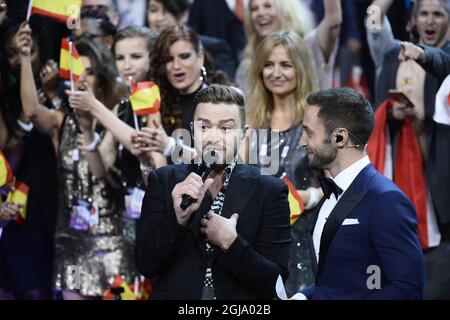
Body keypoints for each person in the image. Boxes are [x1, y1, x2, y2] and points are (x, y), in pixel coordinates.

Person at [135, 85, 291, 299]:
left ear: (244, 133)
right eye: (204, 127)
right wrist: (177, 221)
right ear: (192, 129)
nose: (212, 138)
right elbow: (145, 264)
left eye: (225, 129)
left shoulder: (270, 190)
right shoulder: (163, 180)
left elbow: (275, 283)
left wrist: (232, 243)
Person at [297, 87, 425, 299]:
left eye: (309, 132)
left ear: (340, 137)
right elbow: (339, 283)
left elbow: (408, 289)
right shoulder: (330, 193)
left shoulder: (386, 200)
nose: (301, 142)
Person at [246, 30, 323, 294]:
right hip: (260, 243)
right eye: (268, 64)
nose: (275, 73)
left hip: (307, 239)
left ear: (300, 68)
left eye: (285, 65)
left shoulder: (318, 121)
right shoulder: (249, 122)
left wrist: (308, 196)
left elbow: (342, 181)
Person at [235, 0, 342, 95]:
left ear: (286, 11)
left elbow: (333, 20)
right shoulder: (247, 66)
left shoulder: (309, 47)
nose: (260, 13)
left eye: (268, 5)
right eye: (254, 9)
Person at [146, 0, 238, 79]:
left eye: (169, 11)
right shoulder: (144, 50)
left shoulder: (213, 49)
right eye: (154, 10)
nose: (160, 18)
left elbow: (228, 91)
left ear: (184, 14)